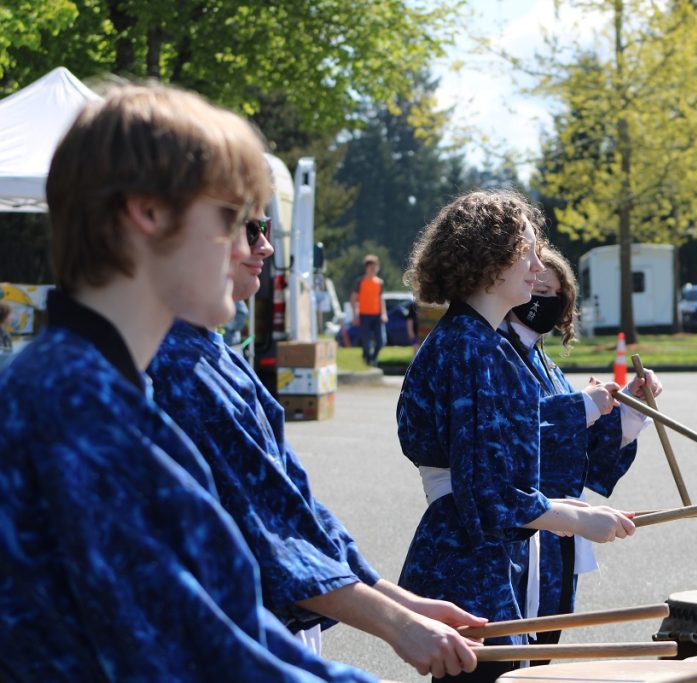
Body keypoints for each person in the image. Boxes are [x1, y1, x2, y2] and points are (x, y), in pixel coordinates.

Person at [0, 83, 375, 682]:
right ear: (148, 212)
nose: (257, 248)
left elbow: (227, 625)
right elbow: (197, 658)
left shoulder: (95, 385)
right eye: (232, 218)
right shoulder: (72, 406)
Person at [148, 207, 484, 678]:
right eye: (251, 229)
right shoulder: (178, 367)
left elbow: (296, 510)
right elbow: (269, 538)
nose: (265, 246)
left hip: (265, 626)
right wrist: (399, 625)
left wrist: (406, 604)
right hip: (233, 642)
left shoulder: (211, 350)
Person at [396, 189, 636, 683]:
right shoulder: (472, 348)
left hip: (479, 556)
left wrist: (574, 510)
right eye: (524, 250)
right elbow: (489, 492)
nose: (536, 263)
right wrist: (571, 517)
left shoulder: (478, 343)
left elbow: (504, 469)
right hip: (469, 561)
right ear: (487, 260)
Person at [499, 247, 661, 658]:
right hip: (518, 529)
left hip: (559, 532)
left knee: (543, 652)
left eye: (551, 290)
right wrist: (583, 405)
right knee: (509, 655)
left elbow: (575, 451)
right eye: (533, 285)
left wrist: (624, 409)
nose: (540, 296)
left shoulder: (544, 362)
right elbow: (510, 428)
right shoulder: (494, 352)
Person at [351, 254, 387, 366]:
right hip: (364, 315)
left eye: (375, 267)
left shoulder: (380, 283)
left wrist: (384, 314)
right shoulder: (360, 282)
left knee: (381, 341)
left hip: (377, 315)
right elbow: (353, 299)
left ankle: (373, 357)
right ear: (366, 267)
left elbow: (381, 299)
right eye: (371, 267)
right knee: (366, 342)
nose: (373, 269)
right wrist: (355, 315)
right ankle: (367, 360)